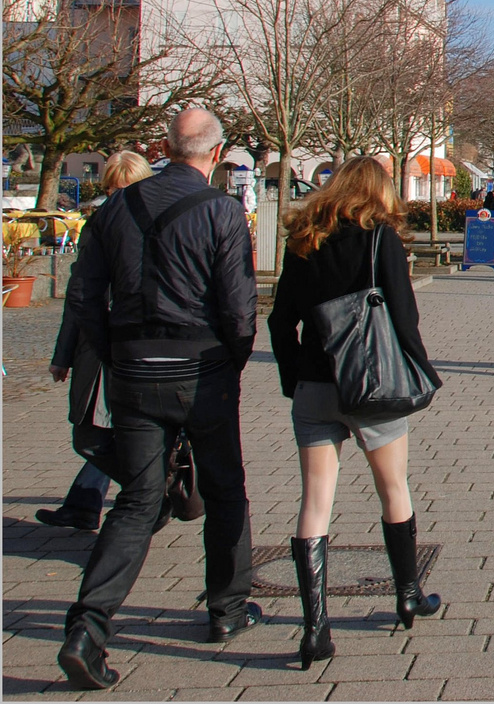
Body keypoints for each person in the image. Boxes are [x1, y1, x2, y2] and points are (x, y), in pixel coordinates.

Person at [57, 109, 260, 690]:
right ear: (217, 153)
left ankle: (88, 626)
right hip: (202, 370)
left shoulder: (113, 208)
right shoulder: (221, 211)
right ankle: (226, 609)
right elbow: (238, 304)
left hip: (134, 371)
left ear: (164, 146)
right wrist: (231, 360)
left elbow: (82, 295)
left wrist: (115, 352)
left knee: (139, 500)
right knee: (224, 488)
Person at [267, 157, 443, 670]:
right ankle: (408, 594)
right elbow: (403, 312)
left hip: (316, 385)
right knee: (394, 488)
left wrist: (292, 378)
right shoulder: (378, 238)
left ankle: (315, 629)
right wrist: (418, 368)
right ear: (380, 193)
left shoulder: (304, 239)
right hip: (372, 384)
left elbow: (281, 320)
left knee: (315, 501)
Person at [41, 152, 154, 533]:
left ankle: (150, 494)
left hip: (135, 344)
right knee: (99, 430)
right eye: (112, 190)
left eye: (125, 189)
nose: (117, 197)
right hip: (102, 340)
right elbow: (79, 293)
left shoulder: (153, 223)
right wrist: (63, 354)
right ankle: (89, 500)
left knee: (103, 432)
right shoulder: (99, 225)